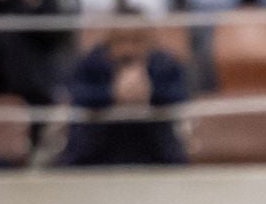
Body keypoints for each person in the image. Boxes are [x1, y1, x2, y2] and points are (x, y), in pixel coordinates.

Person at [59, 17, 188, 161]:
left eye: (137, 41)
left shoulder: (163, 64)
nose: (128, 49)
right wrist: (112, 93)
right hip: (96, 155)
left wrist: (150, 92)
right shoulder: (91, 63)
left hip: (155, 154)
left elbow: (181, 96)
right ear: (108, 41)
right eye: (120, 41)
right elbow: (77, 95)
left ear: (150, 42)